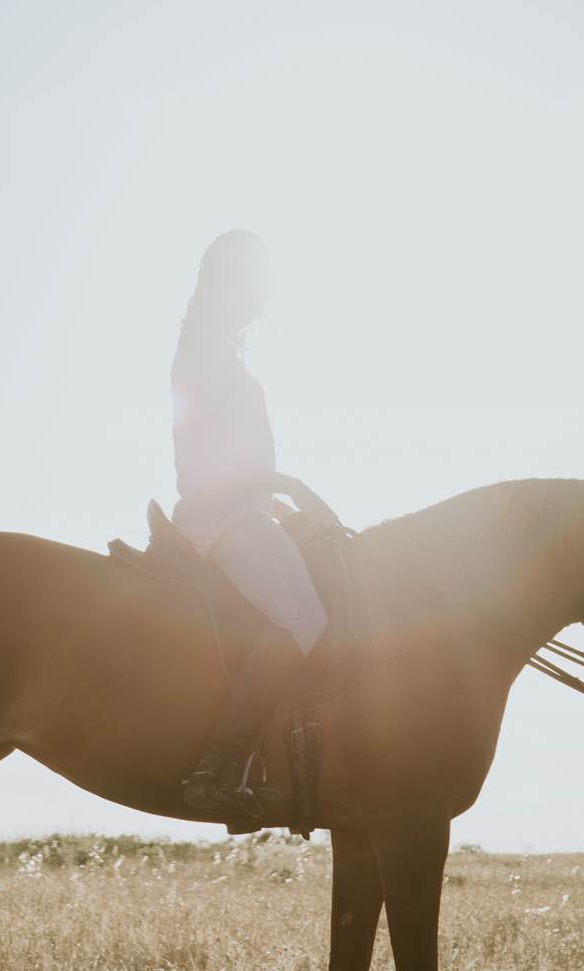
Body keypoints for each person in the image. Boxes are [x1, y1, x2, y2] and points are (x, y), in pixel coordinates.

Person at [171, 229, 343, 814]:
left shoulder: (210, 347)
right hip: (221, 516)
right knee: (304, 617)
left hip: (242, 509)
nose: (267, 292)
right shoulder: (206, 352)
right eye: (259, 278)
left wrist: (283, 506)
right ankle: (216, 767)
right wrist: (290, 487)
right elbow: (211, 466)